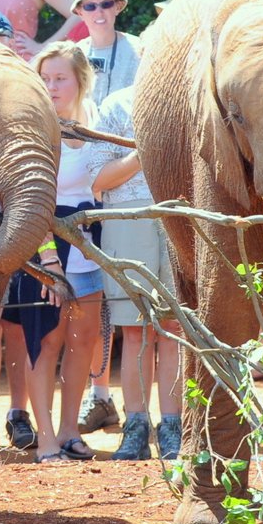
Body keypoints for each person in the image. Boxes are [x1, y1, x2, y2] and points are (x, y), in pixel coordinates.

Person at [87, 82, 181, 461]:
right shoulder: (116, 104)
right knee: (135, 330)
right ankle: (136, 428)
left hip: (179, 217)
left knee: (175, 329)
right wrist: (146, 152)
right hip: (127, 219)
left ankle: (173, 428)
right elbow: (98, 180)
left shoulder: (183, 99)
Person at [26, 43, 103, 462]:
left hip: (90, 243)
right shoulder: (35, 128)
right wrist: (49, 261)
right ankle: (46, 438)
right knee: (47, 340)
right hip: (45, 243)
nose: (52, 86)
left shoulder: (94, 124)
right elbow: (27, 198)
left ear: (79, 81)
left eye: (60, 78)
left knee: (83, 339)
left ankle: (71, 431)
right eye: (46, 78)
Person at [71, 0, 141, 105]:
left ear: (118, 7)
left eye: (106, 4)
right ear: (80, 12)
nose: (99, 12)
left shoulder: (139, 48)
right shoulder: (73, 54)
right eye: (90, 6)